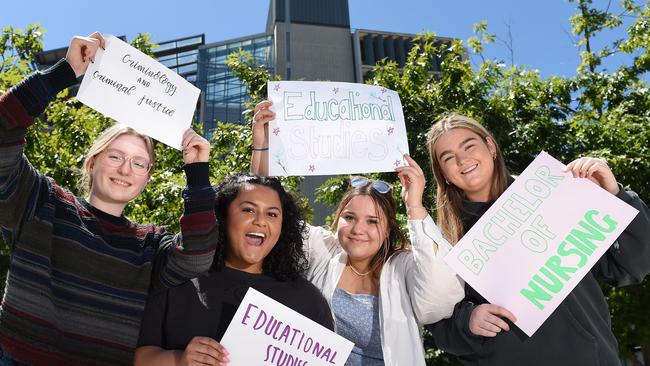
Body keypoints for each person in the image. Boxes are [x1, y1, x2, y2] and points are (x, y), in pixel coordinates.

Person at [0, 32, 218, 365]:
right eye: (115, 156)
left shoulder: (150, 245)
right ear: (93, 160)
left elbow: (198, 257)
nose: (125, 169)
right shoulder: (40, 201)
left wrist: (199, 175)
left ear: (146, 180)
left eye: (139, 163)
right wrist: (64, 72)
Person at [425, 113, 650, 365]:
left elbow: (632, 267)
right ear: (442, 173)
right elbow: (438, 319)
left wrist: (615, 195)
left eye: (469, 146)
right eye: (448, 157)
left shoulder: (555, 194)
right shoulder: (441, 240)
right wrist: (467, 320)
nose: (462, 159)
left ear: (490, 146)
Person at [250, 100, 465, 366]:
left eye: (372, 221)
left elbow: (440, 297)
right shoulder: (323, 250)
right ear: (338, 219)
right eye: (349, 217)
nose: (358, 229)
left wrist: (415, 204)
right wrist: (262, 146)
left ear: (387, 229)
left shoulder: (405, 267)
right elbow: (270, 209)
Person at [135, 173, 334, 366]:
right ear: (222, 217)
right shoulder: (178, 280)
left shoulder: (309, 301)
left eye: (272, 214)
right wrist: (178, 361)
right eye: (248, 210)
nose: (260, 221)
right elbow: (138, 357)